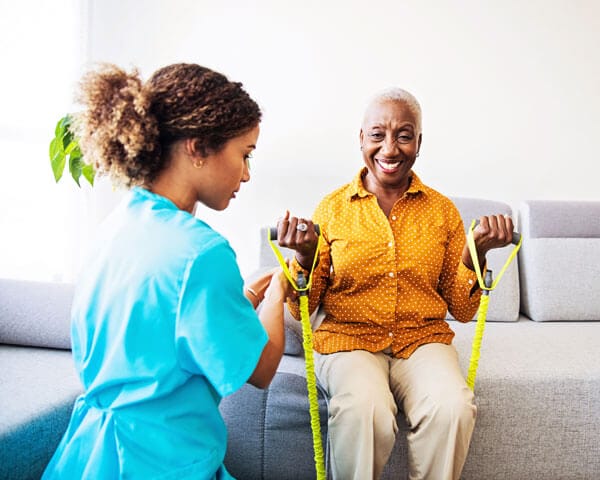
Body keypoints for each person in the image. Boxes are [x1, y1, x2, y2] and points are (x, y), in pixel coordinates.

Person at [42, 63, 291, 479]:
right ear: (197, 147)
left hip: (90, 457)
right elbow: (262, 368)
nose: (246, 174)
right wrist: (280, 292)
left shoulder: (116, 227)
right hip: (164, 462)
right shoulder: (203, 253)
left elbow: (164, 333)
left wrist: (243, 297)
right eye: (244, 154)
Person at [277, 87, 514, 480]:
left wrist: (478, 253)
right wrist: (304, 257)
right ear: (361, 139)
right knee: (363, 410)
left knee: (452, 406)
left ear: (419, 143)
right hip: (348, 339)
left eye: (404, 135)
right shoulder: (332, 208)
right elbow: (304, 306)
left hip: (420, 340)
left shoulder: (441, 211)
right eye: (377, 135)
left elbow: (463, 308)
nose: (390, 148)